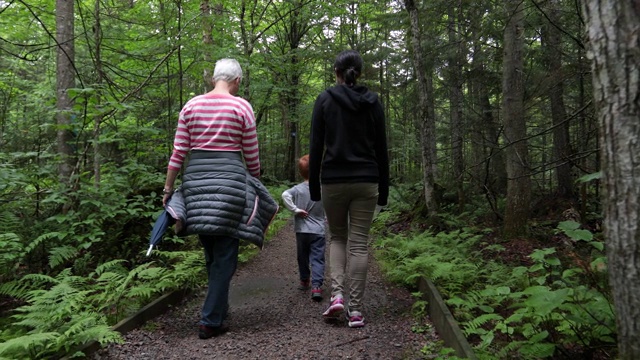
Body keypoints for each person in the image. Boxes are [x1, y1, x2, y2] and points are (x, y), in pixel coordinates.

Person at [162, 58, 271, 340]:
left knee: (211, 251)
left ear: (213, 79)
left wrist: (168, 189)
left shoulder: (191, 106)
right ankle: (210, 320)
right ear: (237, 81)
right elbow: (252, 155)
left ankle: (218, 313)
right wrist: (255, 180)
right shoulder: (241, 106)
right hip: (231, 183)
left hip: (196, 183)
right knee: (224, 255)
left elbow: (178, 153)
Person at [308, 50, 389, 328]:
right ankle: (355, 311)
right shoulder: (373, 102)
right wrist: (385, 189)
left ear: (336, 73)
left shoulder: (325, 100)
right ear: (360, 73)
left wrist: (314, 190)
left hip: (333, 181)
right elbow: (382, 149)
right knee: (358, 244)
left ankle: (338, 296)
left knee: (338, 238)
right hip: (367, 180)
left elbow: (315, 148)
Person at [281, 154, 327, 302]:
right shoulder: (322, 189)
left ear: (301, 172)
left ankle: (304, 280)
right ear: (318, 171)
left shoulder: (297, 189)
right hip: (318, 230)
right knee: (318, 259)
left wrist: (295, 210)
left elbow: (285, 195)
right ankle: (317, 286)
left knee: (302, 257)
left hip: (302, 230)